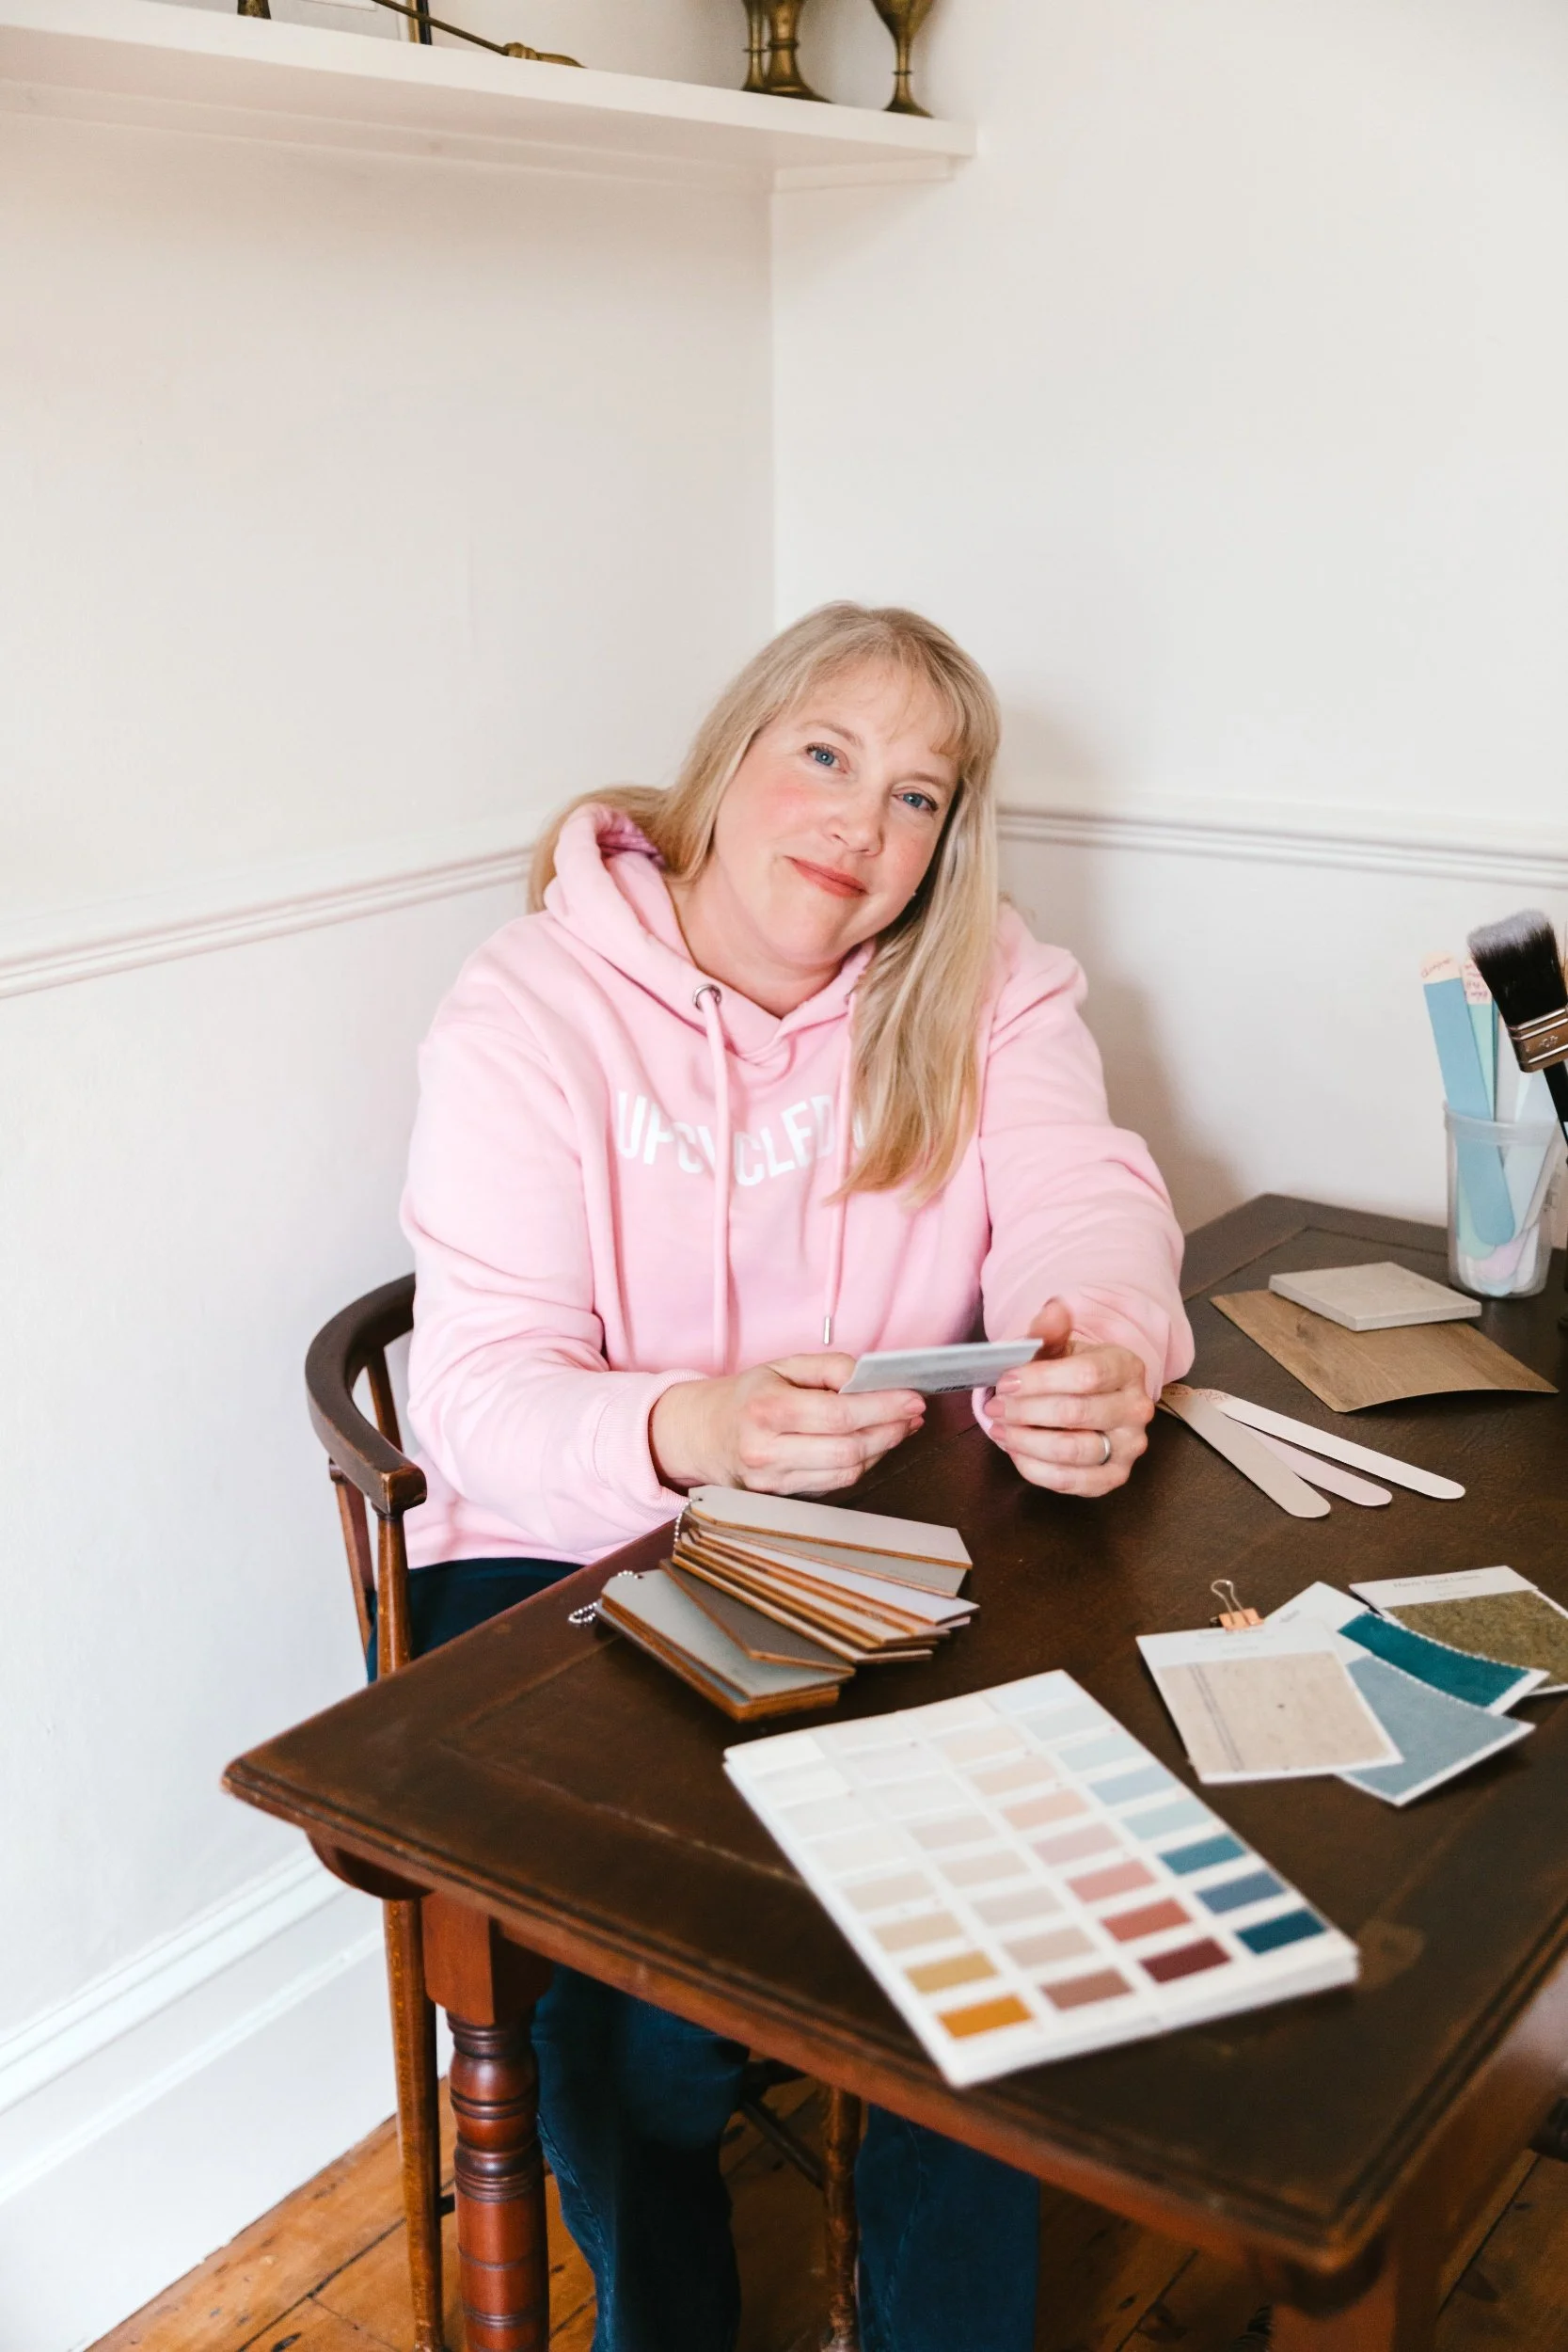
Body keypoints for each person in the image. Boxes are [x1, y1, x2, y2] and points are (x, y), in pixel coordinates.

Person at [397, 602, 1195, 2352]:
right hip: (567, 1551)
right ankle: (662, 2319)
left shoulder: (986, 976)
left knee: (988, 1943)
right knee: (640, 2021)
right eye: (827, 755)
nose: (862, 821)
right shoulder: (529, 1007)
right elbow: (472, 1395)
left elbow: (1088, 1198)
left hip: (882, 1551)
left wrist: (1110, 1340)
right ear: (728, 761)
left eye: (919, 797)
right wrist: (696, 1428)